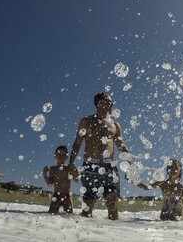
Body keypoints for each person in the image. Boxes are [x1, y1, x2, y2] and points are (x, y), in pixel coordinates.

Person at [69, 92, 129, 220]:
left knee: (112, 203)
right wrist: (71, 163)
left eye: (109, 102)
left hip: (109, 167)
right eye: (103, 101)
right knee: (88, 204)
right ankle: (85, 237)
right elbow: (77, 143)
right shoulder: (86, 121)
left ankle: (113, 237)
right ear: (97, 103)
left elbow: (121, 146)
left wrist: (130, 165)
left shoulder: (115, 125)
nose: (107, 103)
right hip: (90, 165)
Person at [42, 145, 79, 214]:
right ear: (55, 156)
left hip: (67, 196)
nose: (60, 155)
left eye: (63, 153)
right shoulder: (53, 169)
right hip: (56, 195)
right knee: (51, 215)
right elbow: (50, 183)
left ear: (66, 157)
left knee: (69, 217)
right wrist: (44, 175)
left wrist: (75, 171)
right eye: (58, 153)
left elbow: (76, 180)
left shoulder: (68, 168)